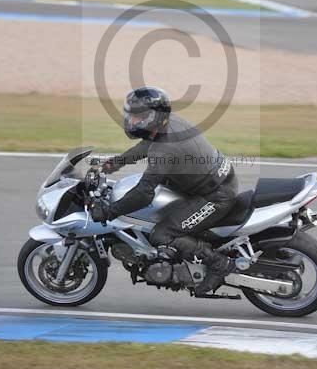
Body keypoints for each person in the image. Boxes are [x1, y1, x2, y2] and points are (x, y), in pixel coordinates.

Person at [91, 86, 239, 295]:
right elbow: (145, 147)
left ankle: (219, 264)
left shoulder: (165, 148)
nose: (131, 121)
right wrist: (114, 164)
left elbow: (144, 193)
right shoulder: (167, 125)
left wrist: (110, 211)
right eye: (130, 116)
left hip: (216, 195)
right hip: (212, 181)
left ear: (154, 117)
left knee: (162, 233)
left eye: (138, 117)